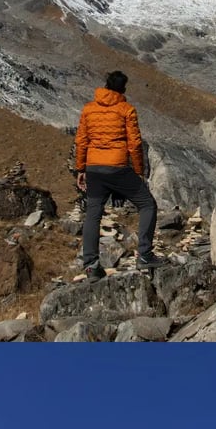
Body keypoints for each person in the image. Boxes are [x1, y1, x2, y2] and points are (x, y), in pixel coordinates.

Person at [75, 70, 165, 277]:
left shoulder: (89, 109)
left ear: (105, 86)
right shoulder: (127, 110)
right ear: (123, 89)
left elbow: (81, 141)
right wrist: (139, 172)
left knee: (93, 214)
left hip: (94, 168)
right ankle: (144, 255)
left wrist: (81, 169)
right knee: (147, 204)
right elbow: (134, 144)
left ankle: (91, 265)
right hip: (117, 167)